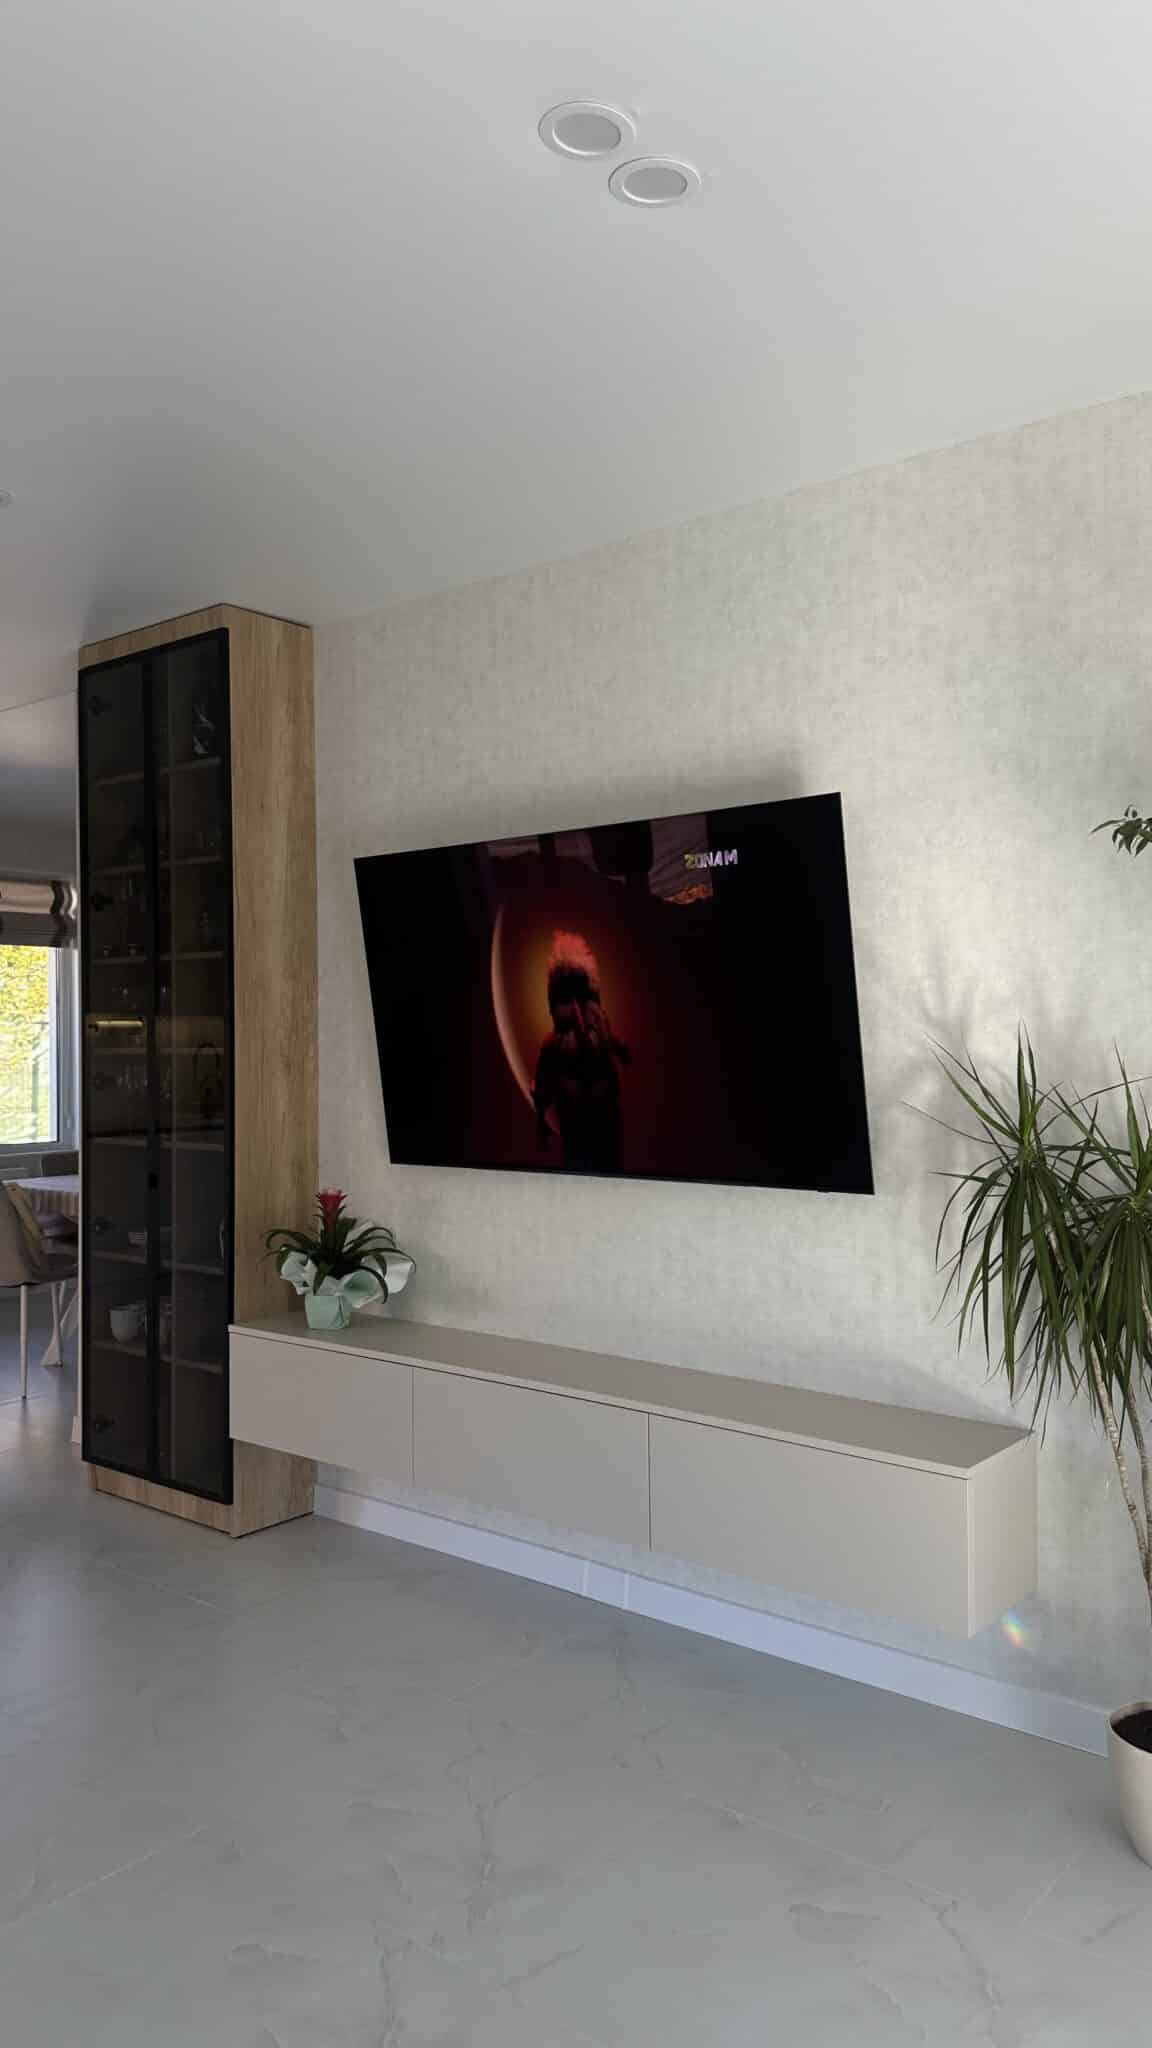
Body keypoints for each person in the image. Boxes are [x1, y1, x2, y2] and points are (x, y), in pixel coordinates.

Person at [532, 932, 629, 1172]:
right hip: (576, 1126)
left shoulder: (599, 1031)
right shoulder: (554, 1044)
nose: (576, 1007)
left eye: (581, 996)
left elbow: (614, 1045)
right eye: (566, 997)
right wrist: (542, 1118)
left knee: (608, 1166)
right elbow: (543, 1083)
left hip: (605, 1120)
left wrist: (619, 1048)